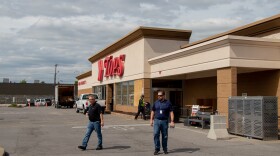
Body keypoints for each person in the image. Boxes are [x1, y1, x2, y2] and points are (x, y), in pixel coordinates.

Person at [150, 90, 175, 155]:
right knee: (156, 134)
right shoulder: (156, 103)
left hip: (164, 121)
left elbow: (171, 112)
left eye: (160, 95)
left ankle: (165, 149)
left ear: (164, 95)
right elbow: (152, 111)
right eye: (158, 95)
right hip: (157, 121)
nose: (159, 97)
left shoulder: (168, 103)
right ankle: (157, 149)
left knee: (164, 136)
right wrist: (151, 120)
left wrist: (172, 121)